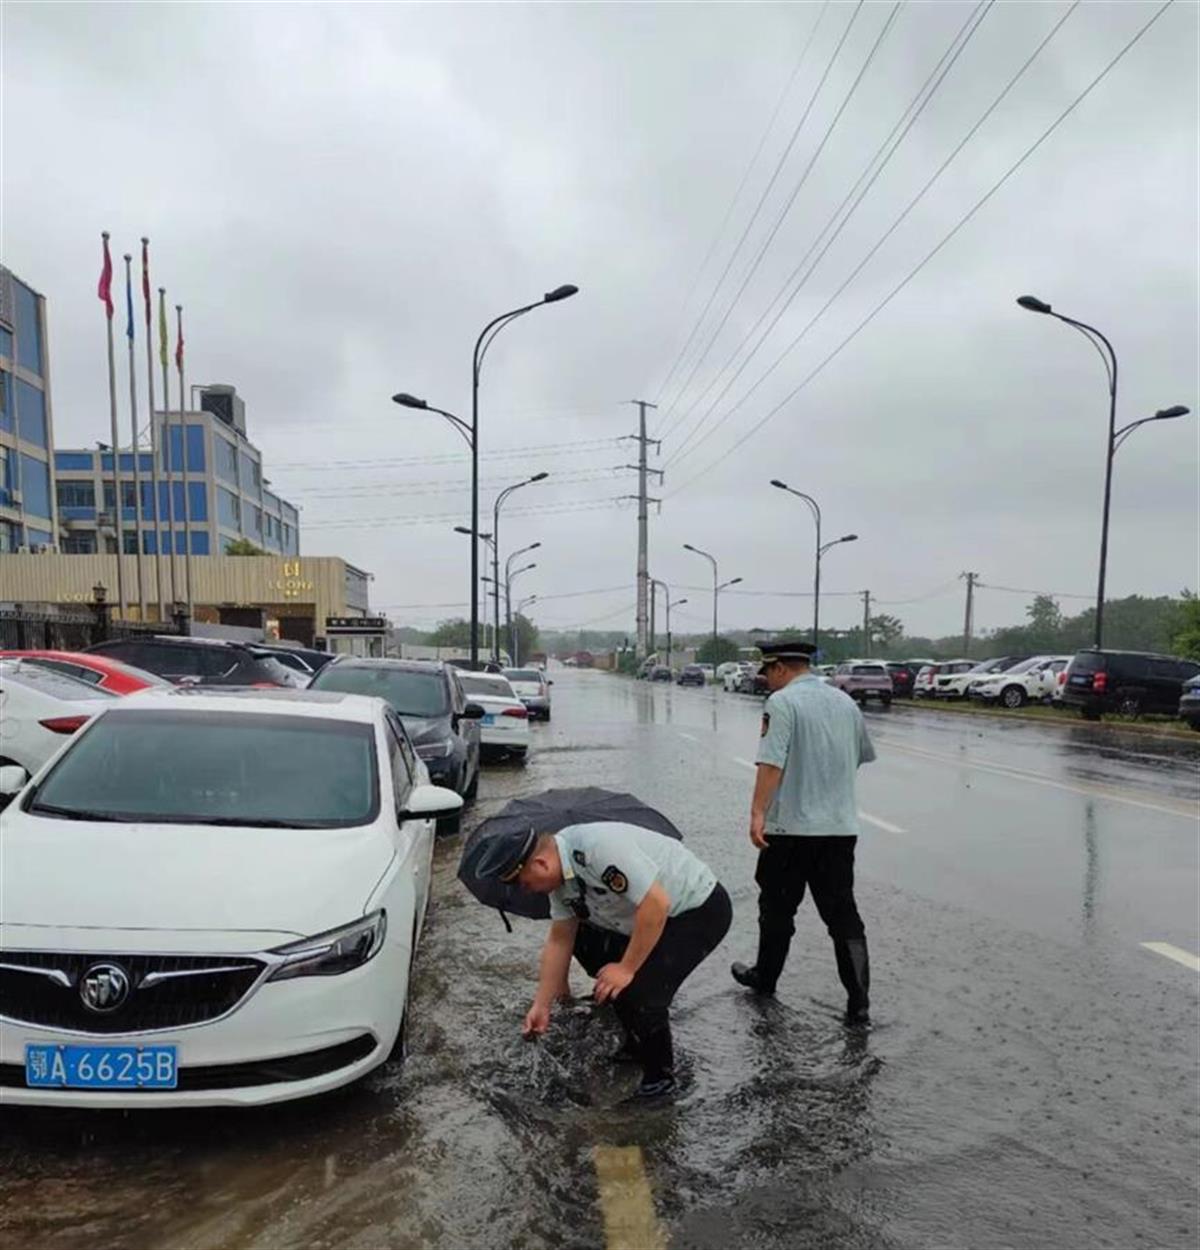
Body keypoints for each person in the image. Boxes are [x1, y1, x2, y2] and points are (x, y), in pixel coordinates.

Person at [475, 821, 732, 1099]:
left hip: (696, 910)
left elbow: (656, 904)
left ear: (540, 863)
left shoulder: (597, 850)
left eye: (525, 883)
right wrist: (542, 1004)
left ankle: (661, 1081)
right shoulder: (562, 881)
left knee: (643, 991)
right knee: (588, 947)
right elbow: (561, 938)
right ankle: (637, 1043)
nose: (528, 891)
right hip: (644, 920)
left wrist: (627, 968)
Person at [731, 639, 876, 1024]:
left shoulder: (782, 703)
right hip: (840, 829)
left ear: (779, 668)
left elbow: (770, 762)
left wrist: (757, 813)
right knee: (843, 914)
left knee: (777, 908)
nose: (767, 683)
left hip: (790, 829)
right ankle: (859, 1001)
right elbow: (859, 755)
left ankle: (765, 979)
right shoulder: (846, 703)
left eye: (768, 674)